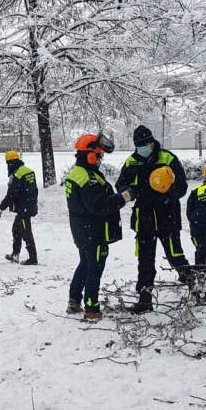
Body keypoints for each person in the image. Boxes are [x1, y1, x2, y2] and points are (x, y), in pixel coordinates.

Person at [115, 125, 191, 314]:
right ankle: (144, 300)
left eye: (145, 143)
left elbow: (182, 186)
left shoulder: (167, 158)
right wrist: (131, 192)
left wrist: (168, 196)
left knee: (176, 256)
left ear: (151, 141)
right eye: (138, 145)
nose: (142, 147)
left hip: (168, 218)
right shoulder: (131, 161)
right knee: (145, 262)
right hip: (144, 219)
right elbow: (120, 184)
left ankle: (196, 287)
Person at [65, 132, 133, 321]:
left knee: (85, 264)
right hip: (92, 231)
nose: (100, 159)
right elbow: (99, 205)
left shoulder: (79, 172)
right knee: (94, 268)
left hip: (82, 230)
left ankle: (74, 300)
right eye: (99, 156)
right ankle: (92, 308)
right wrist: (124, 197)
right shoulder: (88, 178)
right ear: (90, 155)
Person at [0, 150, 39, 265]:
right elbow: (33, 190)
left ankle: (33, 258)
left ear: (10, 163)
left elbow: (11, 195)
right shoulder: (27, 171)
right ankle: (15, 255)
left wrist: (0, 208)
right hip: (27, 207)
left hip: (24, 209)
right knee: (16, 230)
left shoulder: (17, 175)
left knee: (26, 233)